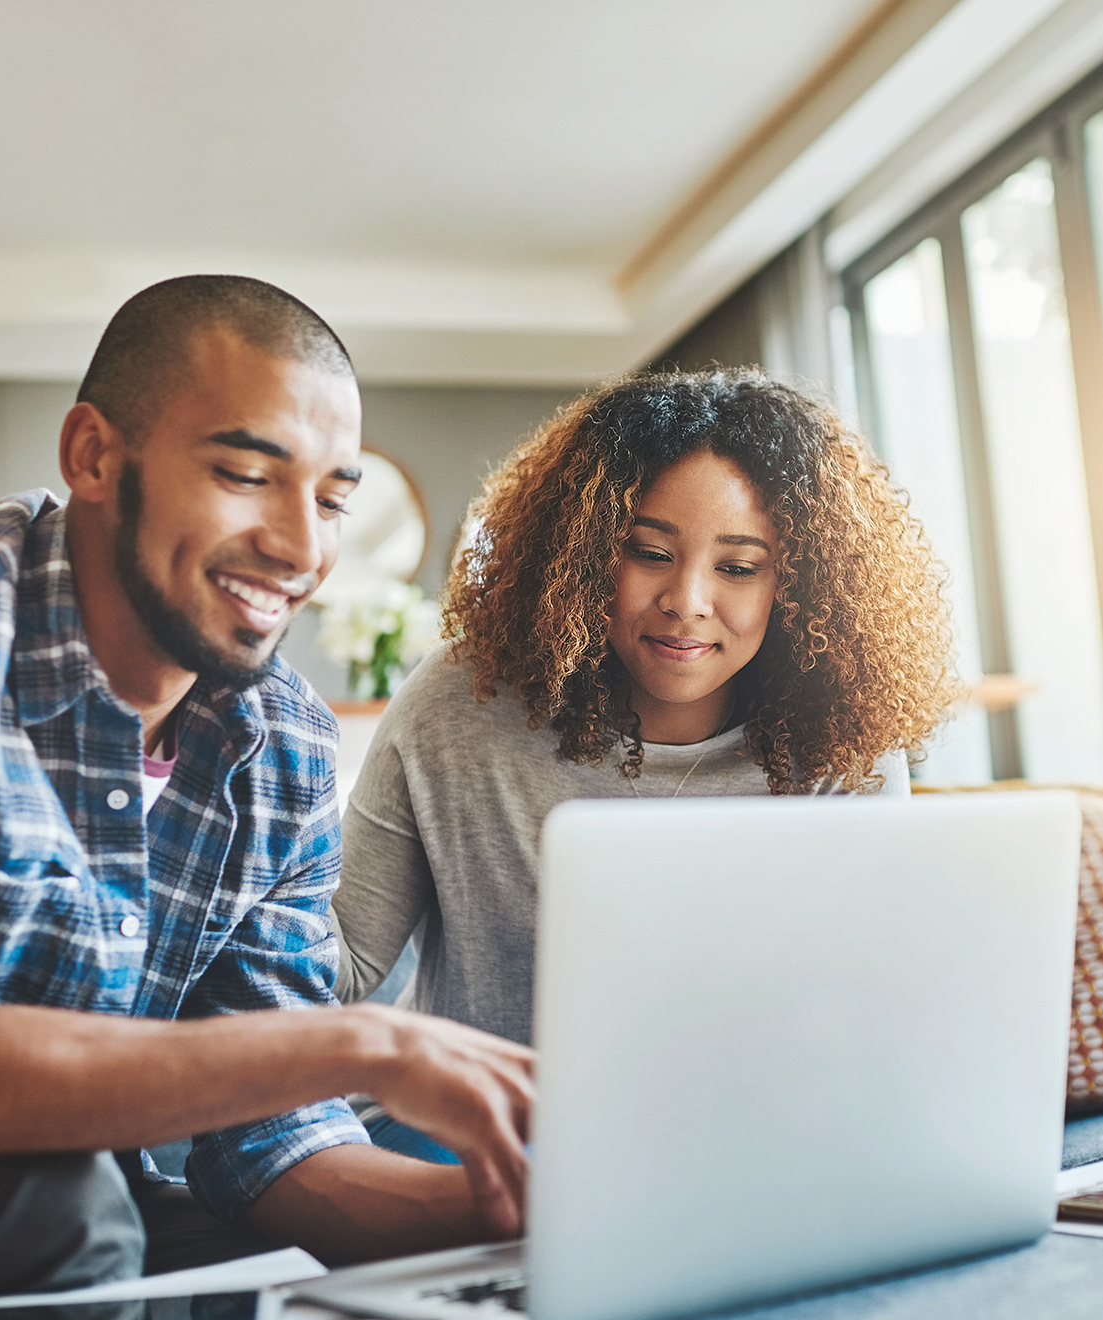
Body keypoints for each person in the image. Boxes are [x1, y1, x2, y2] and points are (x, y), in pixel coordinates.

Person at [0, 275, 534, 1320]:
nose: (303, 548)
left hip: (82, 1201)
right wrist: (365, 1042)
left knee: (226, 1226)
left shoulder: (286, 745)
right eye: (245, 475)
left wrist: (535, 1213)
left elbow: (269, 1146)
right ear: (93, 454)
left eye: (331, 498)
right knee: (59, 1203)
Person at [331, 369, 952, 1158]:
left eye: (737, 567)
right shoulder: (461, 702)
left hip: (741, 1133)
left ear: (795, 586)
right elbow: (341, 964)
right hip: (479, 1135)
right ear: (586, 551)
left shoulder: (839, 742)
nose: (687, 599)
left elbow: (867, 998)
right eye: (649, 552)